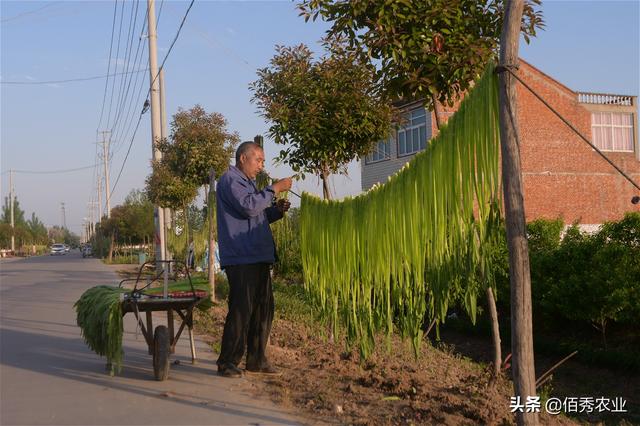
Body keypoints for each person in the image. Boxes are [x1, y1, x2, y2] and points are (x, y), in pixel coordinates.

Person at [216, 141, 292, 378]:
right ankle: (227, 361)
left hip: (257, 255)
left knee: (263, 309)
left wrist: (276, 210)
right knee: (242, 309)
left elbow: (256, 216)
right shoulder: (230, 180)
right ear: (243, 158)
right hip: (242, 257)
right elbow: (249, 207)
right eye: (258, 159)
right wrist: (274, 189)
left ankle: (256, 359)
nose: (261, 165)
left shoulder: (247, 183)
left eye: (262, 161)